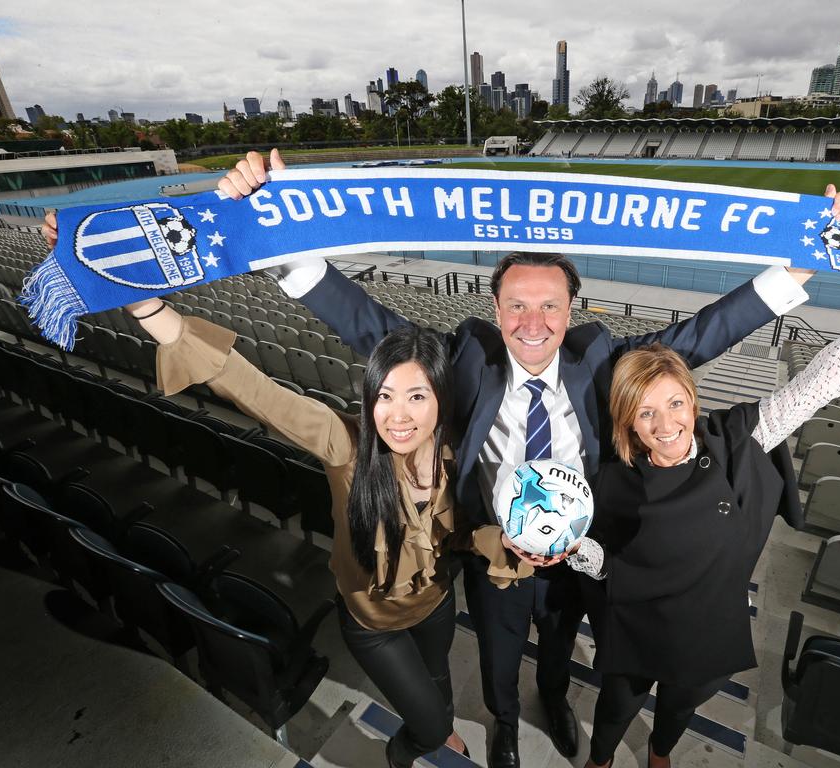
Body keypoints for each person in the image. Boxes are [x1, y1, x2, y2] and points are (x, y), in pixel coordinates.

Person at [217, 149, 840, 768]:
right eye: (517, 304)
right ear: (495, 311)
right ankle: (502, 721)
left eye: (550, 304)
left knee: (558, 642)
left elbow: (698, 336)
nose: (533, 321)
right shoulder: (466, 357)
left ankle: (552, 696)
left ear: (571, 310)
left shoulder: (600, 357)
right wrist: (279, 235)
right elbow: (369, 323)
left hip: (580, 546)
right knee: (498, 649)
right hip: (493, 543)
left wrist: (794, 270)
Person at [38, 215, 541, 768]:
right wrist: (147, 309)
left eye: (417, 397)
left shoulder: (459, 456)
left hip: (436, 604)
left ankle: (434, 733)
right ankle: (407, 751)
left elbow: (465, 533)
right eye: (385, 396)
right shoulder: (345, 445)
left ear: (441, 400)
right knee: (428, 723)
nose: (398, 416)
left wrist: (510, 544)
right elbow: (255, 390)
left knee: (440, 681)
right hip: (374, 625)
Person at [563, 239, 840, 768]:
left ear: (692, 399)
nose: (666, 425)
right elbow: (606, 562)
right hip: (636, 627)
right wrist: (567, 546)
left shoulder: (737, 441)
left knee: (678, 709)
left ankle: (660, 756)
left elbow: (824, 379)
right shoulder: (610, 477)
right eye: (645, 412)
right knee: (614, 708)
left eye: (675, 402)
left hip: (709, 627)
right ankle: (601, 760)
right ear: (627, 419)